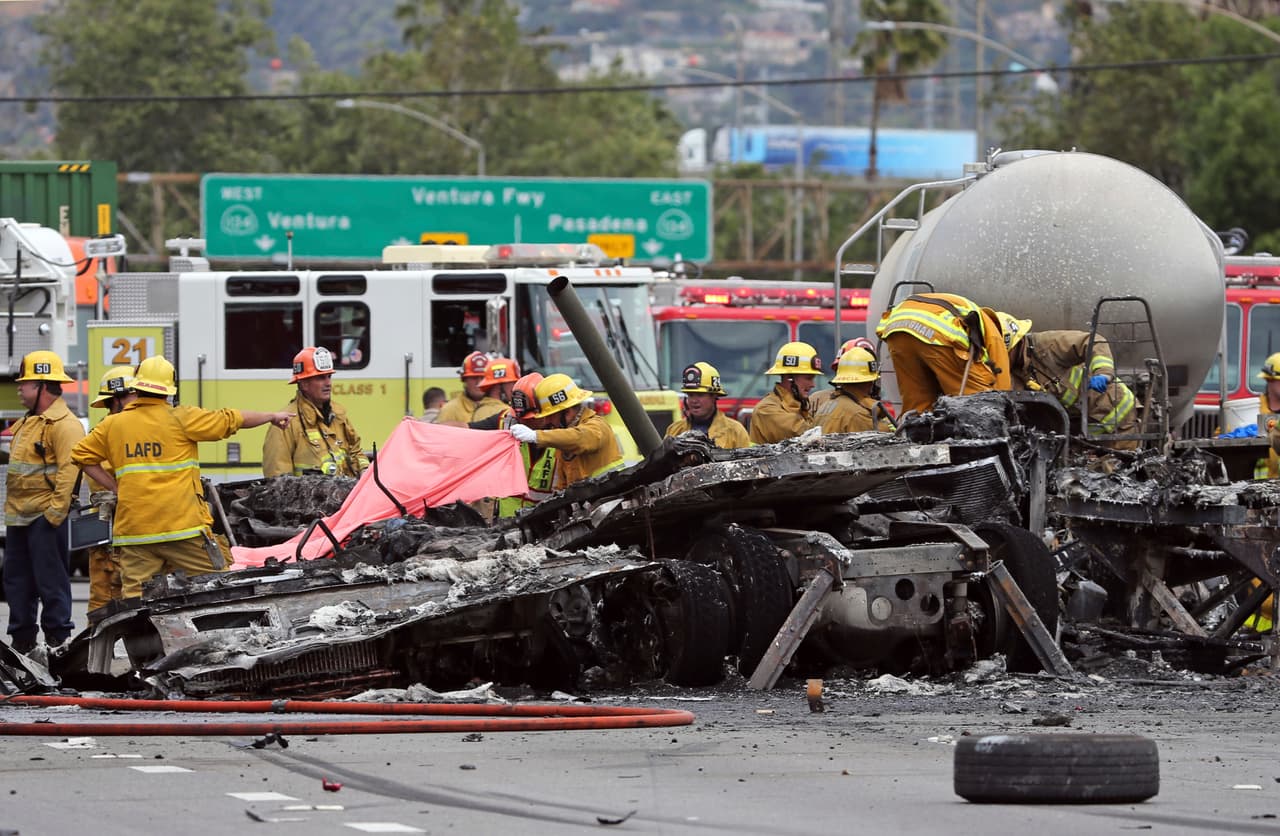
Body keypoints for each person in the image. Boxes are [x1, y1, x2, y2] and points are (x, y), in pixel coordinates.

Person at [71, 356, 294, 599]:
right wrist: (271, 416)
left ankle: (143, 637)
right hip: (183, 531)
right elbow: (233, 419)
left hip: (136, 533)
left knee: (136, 600)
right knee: (216, 586)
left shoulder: (113, 424)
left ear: (137, 387)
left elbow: (81, 456)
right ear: (169, 390)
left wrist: (115, 488)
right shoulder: (182, 418)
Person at [3, 351, 85, 653]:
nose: (19, 389)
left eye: (24, 384)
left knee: (51, 584)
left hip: (44, 518)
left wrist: (54, 514)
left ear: (41, 385)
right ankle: (22, 644)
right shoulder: (28, 423)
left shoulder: (65, 424)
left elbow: (70, 472)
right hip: (19, 517)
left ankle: (58, 643)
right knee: (17, 584)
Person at [991, 310, 1138, 450]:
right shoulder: (1013, 372)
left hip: (1117, 412)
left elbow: (1093, 342)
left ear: (1012, 345)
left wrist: (1103, 374)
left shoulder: (1048, 345)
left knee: (1117, 469)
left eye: (1000, 354)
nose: (997, 360)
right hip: (1084, 424)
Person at [875, 292, 1011, 415]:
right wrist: (1004, 410)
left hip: (897, 327)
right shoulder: (994, 333)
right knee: (977, 405)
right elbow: (1002, 383)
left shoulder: (970, 312)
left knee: (918, 405)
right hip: (935, 334)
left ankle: (918, 436)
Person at [262, 346, 368, 478]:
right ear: (304, 383)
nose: (328, 383)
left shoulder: (338, 415)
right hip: (307, 498)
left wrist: (364, 470)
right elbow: (277, 479)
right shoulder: (285, 423)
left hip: (345, 496)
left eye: (329, 377)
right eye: (320, 378)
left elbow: (356, 452)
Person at [508, 373, 623, 491]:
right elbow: (563, 487)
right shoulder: (565, 439)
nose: (547, 421)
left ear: (567, 411)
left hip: (612, 500)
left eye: (551, 416)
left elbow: (581, 438)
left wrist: (536, 436)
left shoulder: (598, 426)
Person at [84, 365, 136, 618]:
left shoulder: (111, 430)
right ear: (118, 399)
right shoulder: (109, 433)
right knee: (107, 596)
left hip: (116, 528)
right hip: (113, 529)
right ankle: (102, 654)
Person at [748, 341, 822, 444]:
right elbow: (806, 435)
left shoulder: (801, 406)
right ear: (789, 377)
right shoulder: (766, 409)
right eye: (808, 378)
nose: (813, 384)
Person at [664, 362, 750, 449]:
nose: (694, 400)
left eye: (700, 395)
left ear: (714, 396)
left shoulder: (735, 432)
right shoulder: (674, 430)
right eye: (690, 395)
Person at [815, 347, 893, 434]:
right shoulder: (857, 414)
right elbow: (883, 437)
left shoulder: (827, 404)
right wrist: (890, 427)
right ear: (869, 382)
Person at [435, 351, 490, 423]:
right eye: (474, 378)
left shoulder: (499, 409)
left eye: (483, 378)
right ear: (463, 379)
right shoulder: (450, 410)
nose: (479, 383)